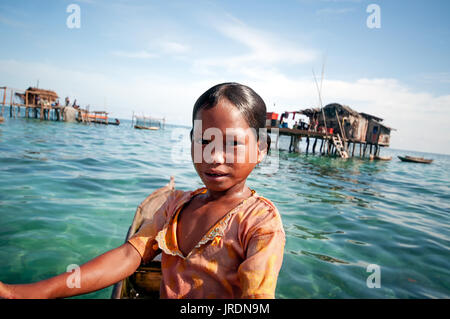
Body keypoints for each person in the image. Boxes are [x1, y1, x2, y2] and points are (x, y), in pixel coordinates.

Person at [0, 82, 285, 299]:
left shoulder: (260, 223)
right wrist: (21, 293)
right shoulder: (175, 206)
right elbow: (127, 257)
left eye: (232, 143)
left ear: (260, 149)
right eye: (204, 141)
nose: (214, 157)